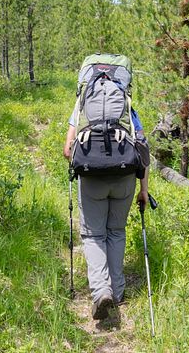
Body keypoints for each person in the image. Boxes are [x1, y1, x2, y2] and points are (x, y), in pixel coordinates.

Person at [64, 104, 149, 323]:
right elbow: (142, 147)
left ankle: (102, 291)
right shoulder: (127, 107)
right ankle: (118, 293)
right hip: (124, 177)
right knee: (116, 232)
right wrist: (144, 190)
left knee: (94, 235)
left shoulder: (81, 107)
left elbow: (67, 151)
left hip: (92, 179)